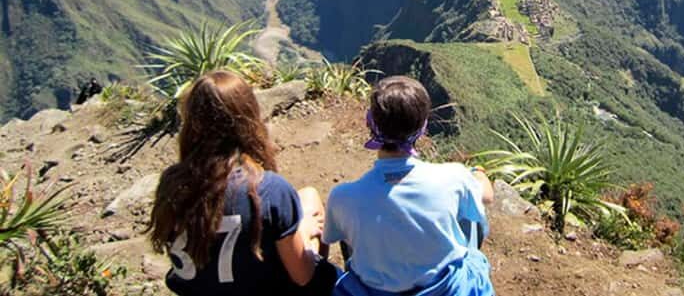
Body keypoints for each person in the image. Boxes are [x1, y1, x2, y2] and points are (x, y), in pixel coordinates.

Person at [147, 70, 337, 295]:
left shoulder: (172, 184)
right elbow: (302, 276)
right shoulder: (270, 190)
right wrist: (304, 232)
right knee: (310, 219)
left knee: (308, 195)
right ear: (248, 118)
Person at [324, 76, 495, 296]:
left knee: (352, 228)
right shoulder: (454, 178)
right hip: (447, 290)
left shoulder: (343, 197)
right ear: (423, 128)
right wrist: (477, 173)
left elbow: (333, 236)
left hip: (373, 291)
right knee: (473, 219)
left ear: (370, 123)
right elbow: (487, 196)